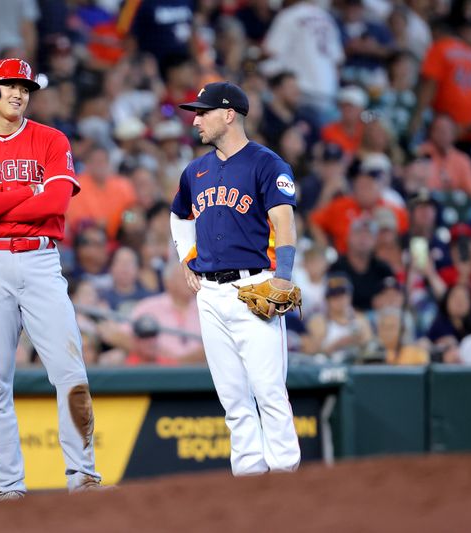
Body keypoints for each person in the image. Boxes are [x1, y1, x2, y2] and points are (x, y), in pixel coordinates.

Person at [0, 58, 103, 498]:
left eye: (25, 88)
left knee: (71, 373)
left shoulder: (51, 139)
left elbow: (56, 203)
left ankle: (82, 477)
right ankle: (8, 489)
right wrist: (28, 192)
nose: (19, 93)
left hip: (41, 262)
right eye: (10, 85)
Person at [170, 81, 301, 475]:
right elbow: (178, 216)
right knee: (232, 397)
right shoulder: (195, 171)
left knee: (268, 391)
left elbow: (285, 223)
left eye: (202, 112)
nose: (195, 120)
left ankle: (284, 475)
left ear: (229, 114)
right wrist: (186, 257)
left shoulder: (267, 163)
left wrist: (284, 276)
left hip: (254, 286)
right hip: (209, 293)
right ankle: (248, 477)